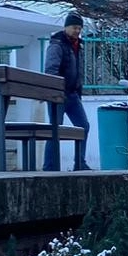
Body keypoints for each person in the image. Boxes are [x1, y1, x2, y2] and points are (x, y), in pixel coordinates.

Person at [42, 12, 91, 170]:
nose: (77, 31)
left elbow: (76, 70)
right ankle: (50, 166)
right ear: (66, 27)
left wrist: (77, 91)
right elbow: (51, 70)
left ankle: (80, 163)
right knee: (55, 129)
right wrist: (57, 92)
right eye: (74, 27)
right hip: (58, 94)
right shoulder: (57, 45)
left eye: (79, 28)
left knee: (83, 125)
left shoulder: (77, 45)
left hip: (72, 94)